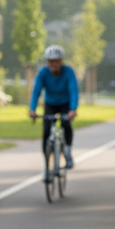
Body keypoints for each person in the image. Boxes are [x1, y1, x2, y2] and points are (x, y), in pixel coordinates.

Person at [29, 44, 78, 179]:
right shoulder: (43, 73)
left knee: (66, 125)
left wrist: (73, 109)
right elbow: (36, 91)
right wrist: (32, 109)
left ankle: (67, 152)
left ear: (61, 61)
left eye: (56, 61)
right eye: (51, 61)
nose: (53, 64)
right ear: (47, 62)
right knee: (46, 132)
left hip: (65, 103)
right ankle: (46, 166)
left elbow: (73, 91)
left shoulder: (68, 72)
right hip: (50, 103)